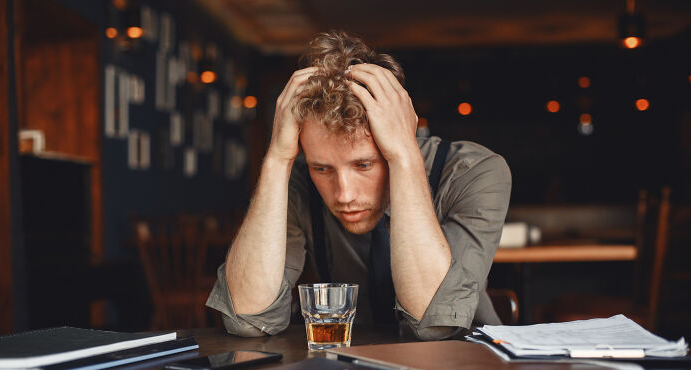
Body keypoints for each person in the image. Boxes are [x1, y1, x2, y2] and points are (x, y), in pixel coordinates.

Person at [207, 31, 511, 340]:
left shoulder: (474, 172)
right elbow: (246, 318)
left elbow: (434, 326)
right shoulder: (297, 181)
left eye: (364, 165)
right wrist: (277, 158)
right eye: (322, 168)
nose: (344, 195)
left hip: (469, 366)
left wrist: (404, 157)